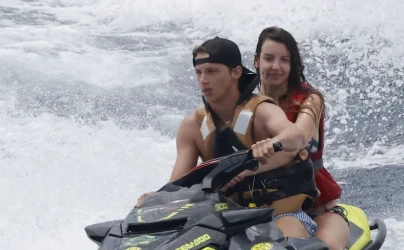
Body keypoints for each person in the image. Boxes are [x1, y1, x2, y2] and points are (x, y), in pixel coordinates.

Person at [136, 36, 319, 238]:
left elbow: (295, 136)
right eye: (199, 72)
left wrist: (272, 144)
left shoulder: (262, 110)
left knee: (285, 241)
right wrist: (158, 199)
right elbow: (178, 187)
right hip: (223, 223)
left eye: (212, 71)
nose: (203, 80)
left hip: (282, 216)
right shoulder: (192, 127)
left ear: (236, 72)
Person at [251, 26, 362, 250]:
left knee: (328, 249)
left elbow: (300, 135)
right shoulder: (247, 104)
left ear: (293, 64)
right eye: (269, 58)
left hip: (320, 208)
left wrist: (270, 146)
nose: (276, 66)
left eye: (284, 60)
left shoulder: (310, 100)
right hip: (270, 208)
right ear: (256, 61)